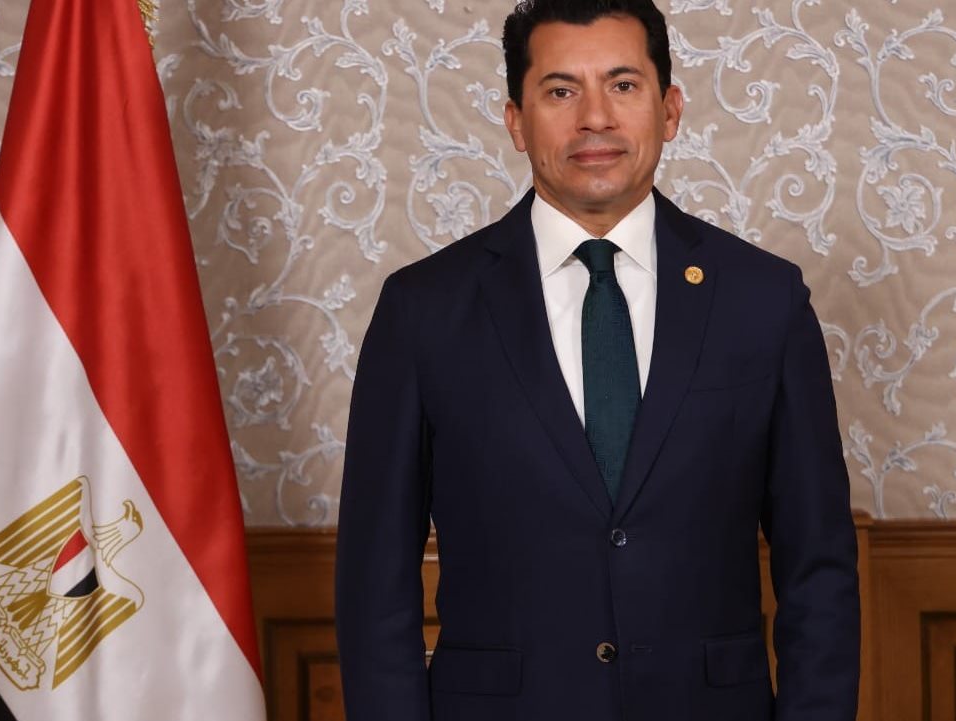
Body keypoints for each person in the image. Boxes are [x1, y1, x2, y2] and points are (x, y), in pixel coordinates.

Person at [334, 1, 860, 719]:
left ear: (668, 110)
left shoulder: (763, 300)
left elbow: (819, 568)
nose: (595, 118)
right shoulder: (423, 310)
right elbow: (375, 582)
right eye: (560, 91)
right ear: (515, 121)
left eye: (623, 85)